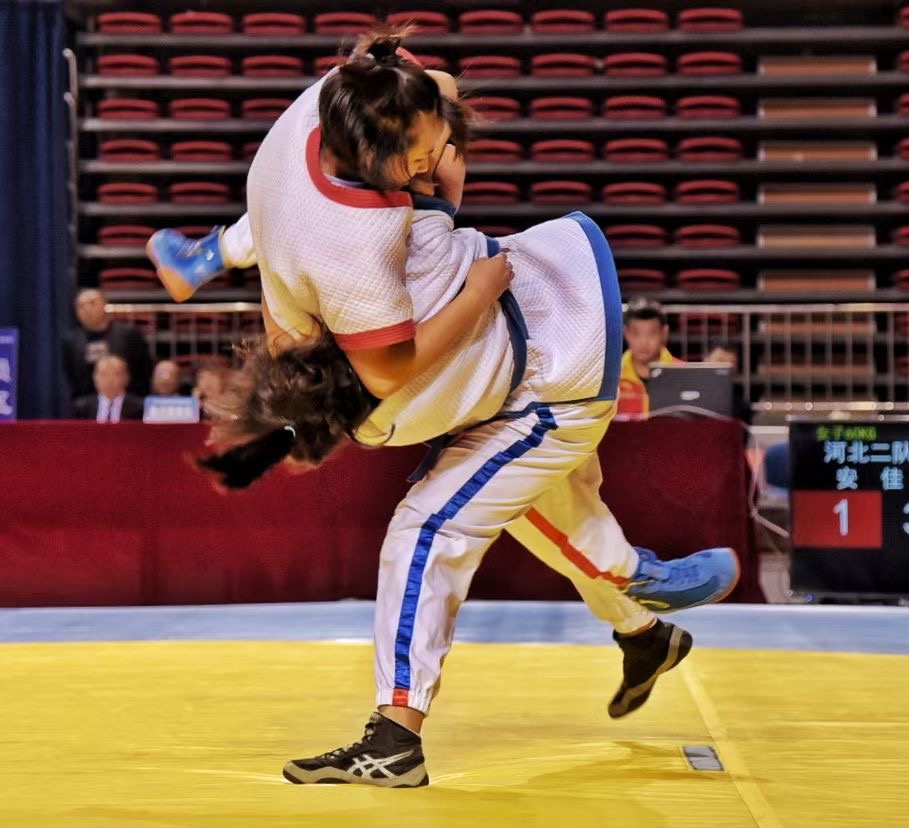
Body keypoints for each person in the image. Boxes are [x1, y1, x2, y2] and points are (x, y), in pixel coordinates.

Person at [196, 159, 740, 786]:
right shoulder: (363, 333)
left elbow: (321, 279)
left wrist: (230, 251)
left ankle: (397, 738)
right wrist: (229, 248)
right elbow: (428, 203)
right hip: (555, 337)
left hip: (552, 373)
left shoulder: (362, 396)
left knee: (431, 526)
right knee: (508, 510)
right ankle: (641, 625)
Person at [62, 288, 153, 401]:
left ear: (104, 304)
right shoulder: (71, 341)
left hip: (128, 402)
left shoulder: (128, 334)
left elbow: (144, 370)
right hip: (87, 404)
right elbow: (71, 376)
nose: (86, 309)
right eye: (81, 306)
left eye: (92, 303)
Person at [617, 297, 682, 418]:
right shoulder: (612, 377)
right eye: (636, 334)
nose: (644, 342)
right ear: (626, 333)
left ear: (664, 333)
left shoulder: (683, 373)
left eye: (651, 334)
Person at [73, 354, 143, 422]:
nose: (109, 380)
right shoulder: (81, 407)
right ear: (94, 378)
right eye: (103, 374)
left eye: (116, 374)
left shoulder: (139, 408)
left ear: (126, 378)